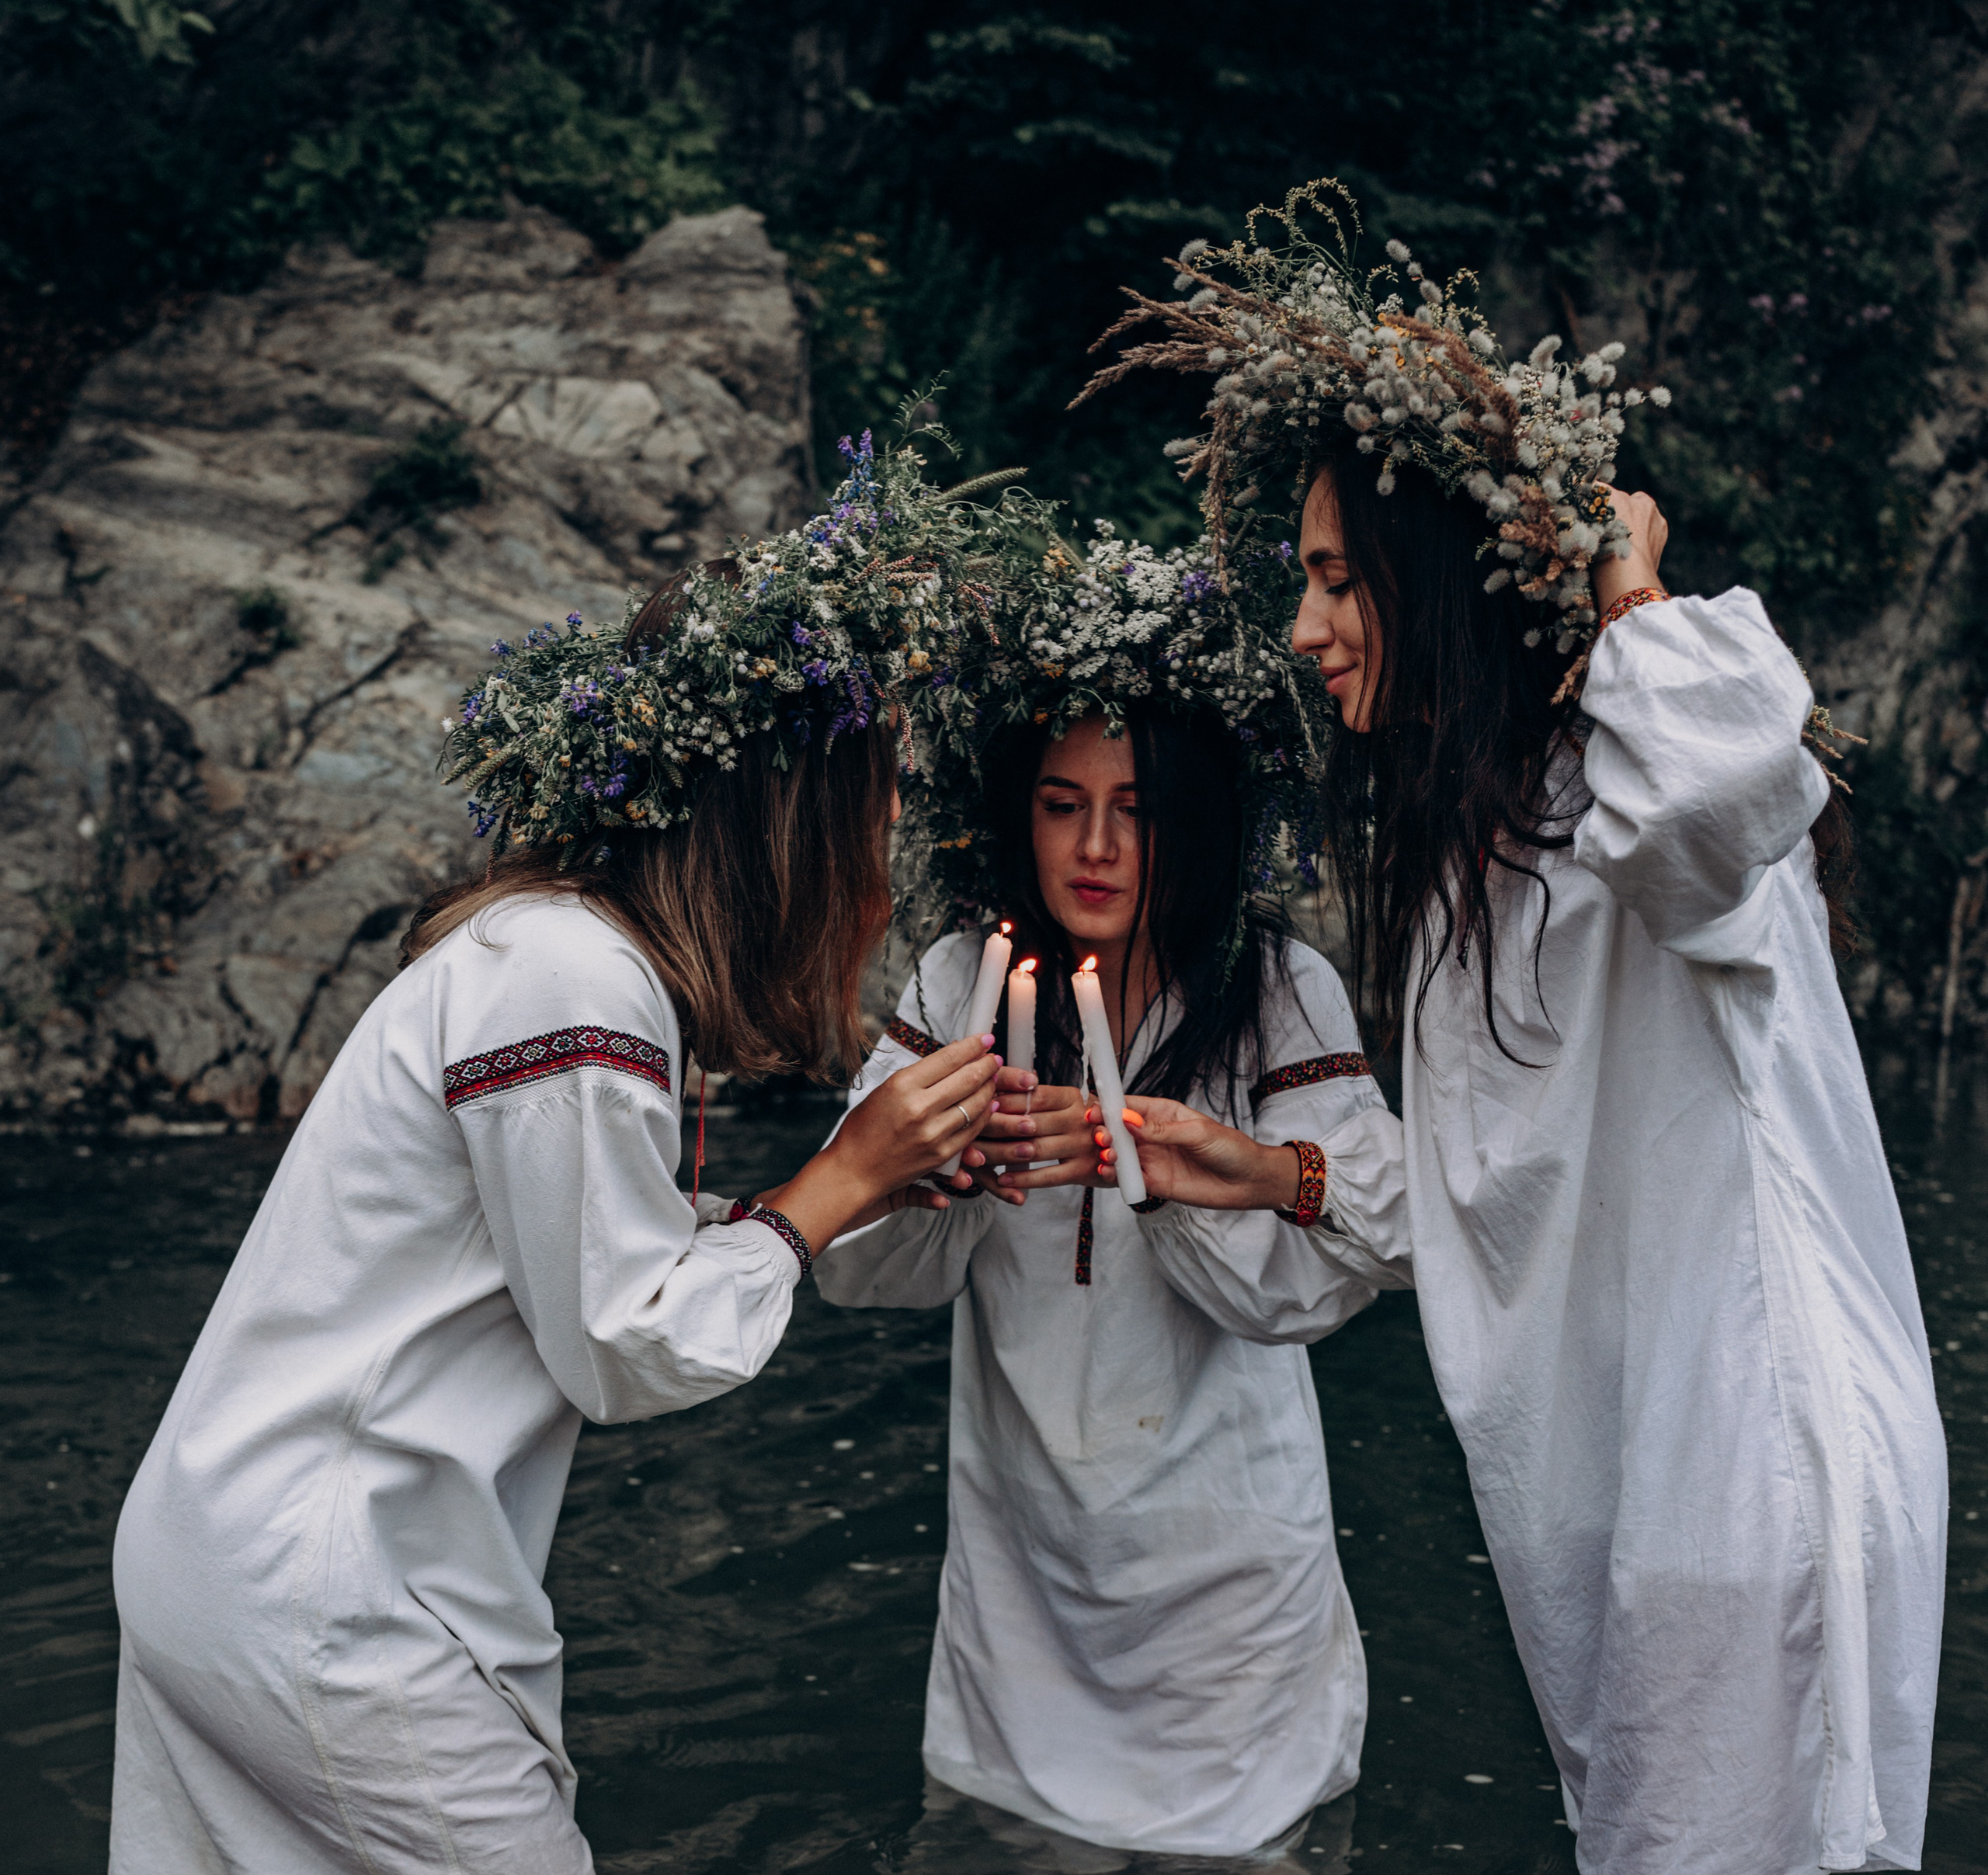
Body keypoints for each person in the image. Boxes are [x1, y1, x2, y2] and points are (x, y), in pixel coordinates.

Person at [1079, 193, 1947, 1875]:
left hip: (1744, 1486)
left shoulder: (1653, 788)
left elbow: (1728, 774)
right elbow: (1501, 1207)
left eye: (1336, 578)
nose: (1303, 625)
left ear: (1445, 581)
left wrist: (1609, 572)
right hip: (1628, 1507)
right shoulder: (1485, 846)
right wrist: (1277, 1170)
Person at [109, 435, 1006, 1875]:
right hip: (328, 1594)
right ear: (796, 811)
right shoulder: (576, 985)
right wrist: (835, 1182)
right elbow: (621, 1337)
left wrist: (853, 1191)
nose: (897, 819)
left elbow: (551, 1247)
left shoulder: (554, 953)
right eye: (881, 780)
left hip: (240, 1552)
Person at [818, 523, 1386, 1863]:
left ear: (1192, 818)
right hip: (1023, 1578)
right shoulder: (964, 981)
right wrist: (943, 1169)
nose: (1096, 847)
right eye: (1063, 802)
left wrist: (1206, 1181)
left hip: (1225, 1588)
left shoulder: (1275, 993)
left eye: (1135, 808)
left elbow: (1356, 1256)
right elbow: (845, 1255)